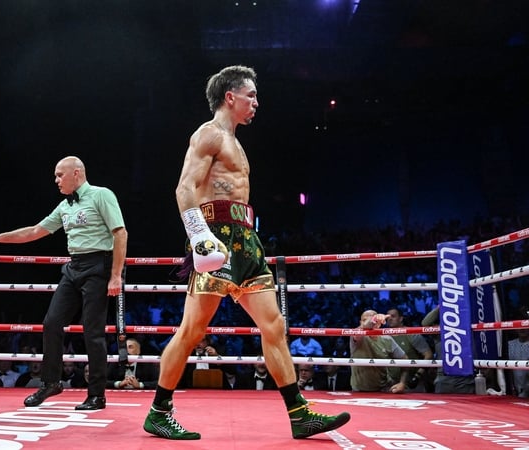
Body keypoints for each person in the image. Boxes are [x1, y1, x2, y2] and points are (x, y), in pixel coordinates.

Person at [142, 65, 350, 440]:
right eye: (251, 95)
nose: (256, 102)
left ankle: (299, 414)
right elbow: (184, 188)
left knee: (274, 325)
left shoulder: (236, 142)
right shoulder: (209, 135)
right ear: (230, 97)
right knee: (192, 330)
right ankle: (159, 411)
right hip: (215, 236)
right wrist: (199, 237)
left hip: (245, 239)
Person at [0, 155, 128, 411]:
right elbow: (35, 231)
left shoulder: (102, 195)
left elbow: (120, 232)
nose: (56, 180)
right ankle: (51, 382)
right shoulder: (64, 206)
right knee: (51, 322)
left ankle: (97, 394)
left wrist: (115, 275)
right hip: (74, 266)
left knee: (93, 331)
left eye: (59, 175)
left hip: (99, 265)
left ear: (76, 173)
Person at [350, 310, 409, 393]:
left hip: (384, 389)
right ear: (360, 322)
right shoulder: (357, 336)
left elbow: (405, 360)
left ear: (379, 323)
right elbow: (365, 326)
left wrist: (402, 383)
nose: (370, 322)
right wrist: (373, 319)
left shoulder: (387, 339)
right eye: (364, 320)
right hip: (359, 390)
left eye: (375, 321)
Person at [421, 306, 475, 393]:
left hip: (465, 378)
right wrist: (441, 305)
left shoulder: (468, 328)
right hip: (444, 377)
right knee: (442, 406)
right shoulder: (441, 331)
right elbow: (425, 323)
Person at [385, 307, 433, 392]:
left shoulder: (411, 333)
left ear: (400, 318)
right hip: (392, 383)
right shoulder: (384, 336)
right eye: (388, 317)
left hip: (413, 384)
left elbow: (428, 355)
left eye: (393, 316)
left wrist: (417, 376)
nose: (390, 319)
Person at [507, 329, 529, 397]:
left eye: (525, 327)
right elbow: (508, 369)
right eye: (520, 327)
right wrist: (512, 387)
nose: (522, 329)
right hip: (516, 388)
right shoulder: (510, 344)